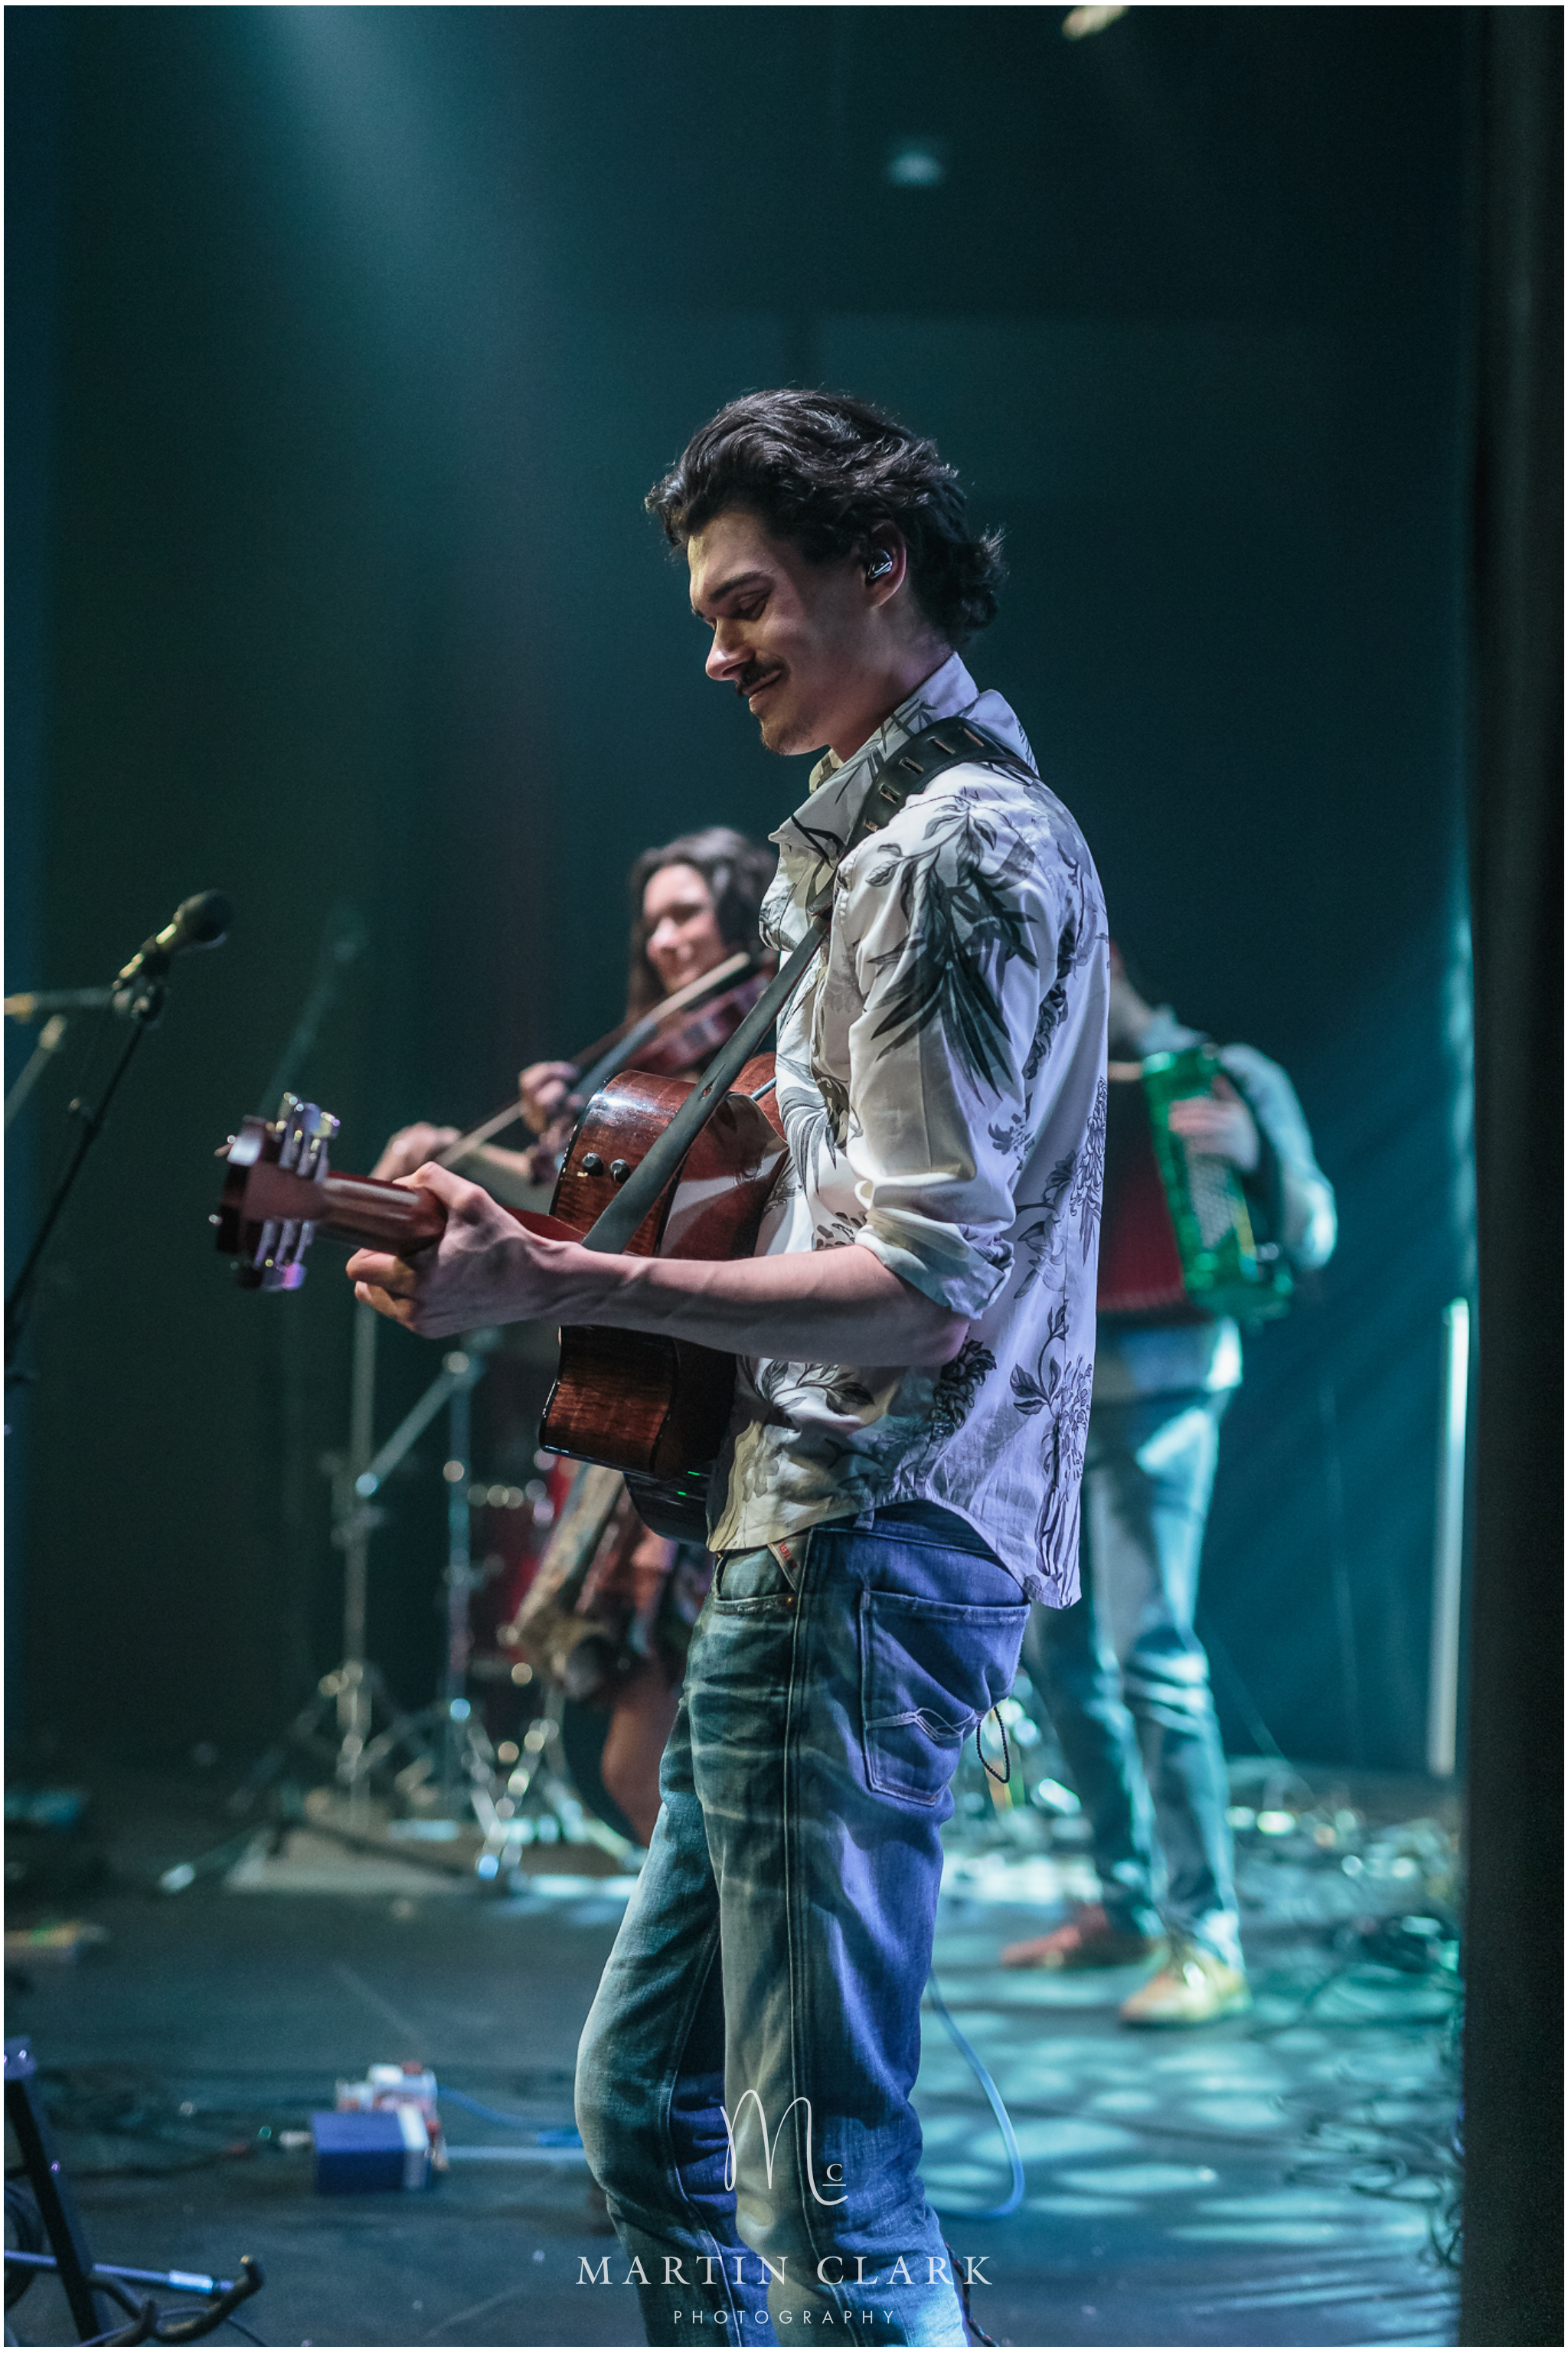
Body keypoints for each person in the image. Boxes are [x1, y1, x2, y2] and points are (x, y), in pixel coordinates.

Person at [346, 389, 1109, 2348]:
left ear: (882, 567)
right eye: (705, 611)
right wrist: (536, 1228)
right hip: (800, 1541)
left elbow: (920, 1291)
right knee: (652, 2114)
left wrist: (552, 1273)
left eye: (745, 599)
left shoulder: (949, 850)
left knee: (815, 2167)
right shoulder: (859, 848)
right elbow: (822, 1214)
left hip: (860, 1543)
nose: (714, 650)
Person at [372, 828, 776, 1847]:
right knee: (660, 1770)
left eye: (687, 913)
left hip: (727, 1407)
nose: (668, 940)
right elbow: (585, 1224)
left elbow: (671, 1222)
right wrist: (490, 1158)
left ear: (741, 914)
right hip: (655, 1414)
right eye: (652, 925)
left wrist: (579, 1141)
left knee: (666, 1771)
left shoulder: (776, 1047)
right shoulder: (656, 1065)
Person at [1001, 945, 1337, 2025]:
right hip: (1052, 1397)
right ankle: (1127, 1903)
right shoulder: (1040, 1083)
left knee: (1151, 1651)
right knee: (1059, 1657)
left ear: (1109, 958)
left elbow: (1315, 1235)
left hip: (1170, 1383)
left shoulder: (1228, 1074)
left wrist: (1255, 1156)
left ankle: (1209, 1939)